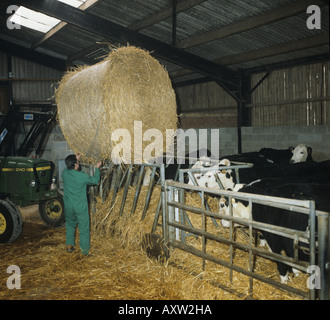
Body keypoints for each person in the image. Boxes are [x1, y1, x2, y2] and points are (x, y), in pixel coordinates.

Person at [62, 154, 102, 255]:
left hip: (68, 206)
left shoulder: (64, 173)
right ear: (76, 164)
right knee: (84, 228)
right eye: (78, 162)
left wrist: (75, 159)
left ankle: (69, 246)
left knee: (70, 224)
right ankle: (84, 252)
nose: (79, 163)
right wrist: (97, 168)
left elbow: (68, 168)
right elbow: (95, 181)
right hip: (79, 206)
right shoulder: (82, 176)